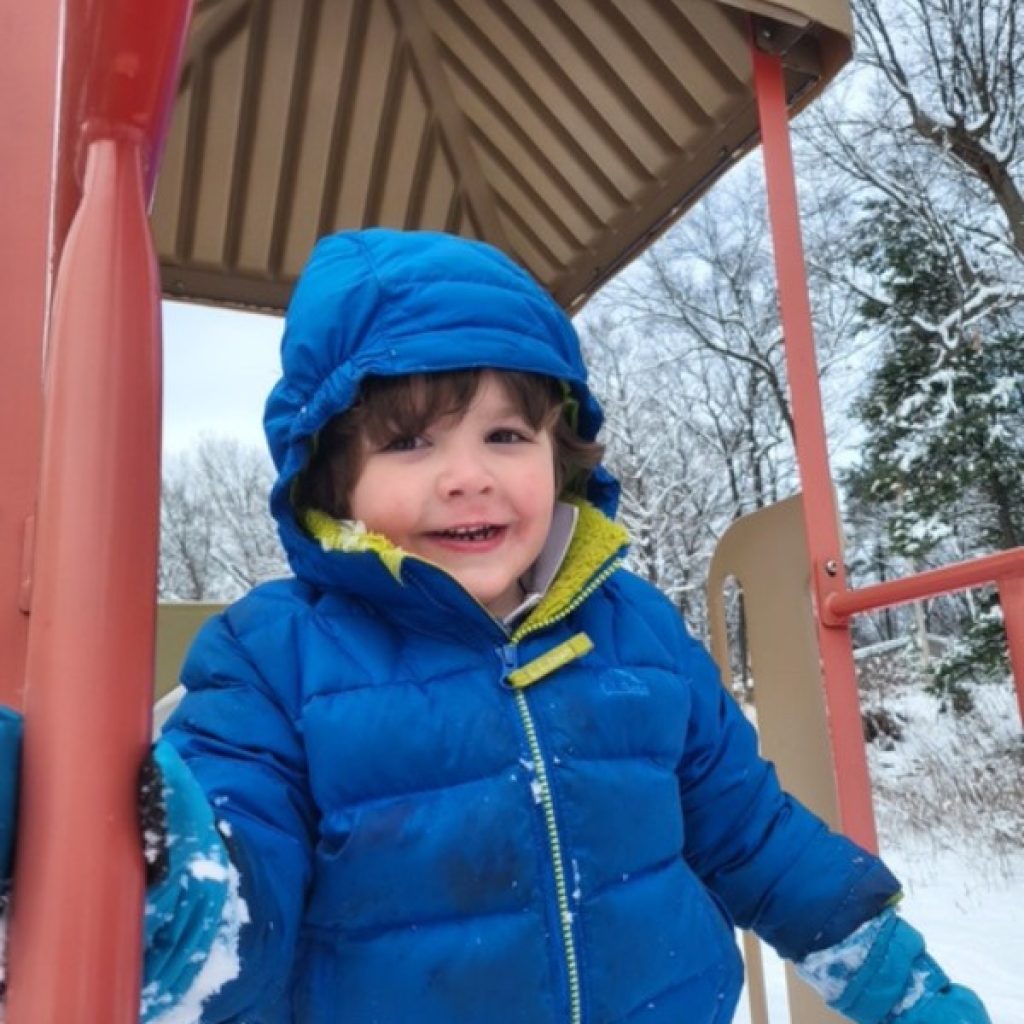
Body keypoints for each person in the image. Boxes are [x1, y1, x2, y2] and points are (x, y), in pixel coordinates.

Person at [0, 230, 990, 1024]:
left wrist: (901, 986)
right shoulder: (275, 660)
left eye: (505, 434)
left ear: (559, 453)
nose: (468, 473)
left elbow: (757, 838)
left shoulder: (633, 632)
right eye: (410, 441)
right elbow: (241, 911)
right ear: (332, 476)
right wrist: (168, 877)